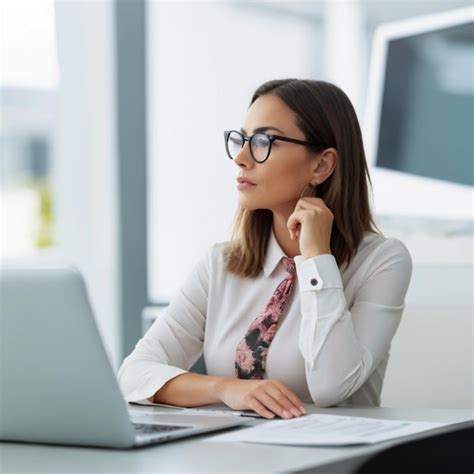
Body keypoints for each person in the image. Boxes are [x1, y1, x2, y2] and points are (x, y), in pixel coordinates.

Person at [117, 78, 412, 420]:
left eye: (262, 141)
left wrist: (316, 258)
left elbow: (332, 387)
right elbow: (134, 374)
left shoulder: (382, 261)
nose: (241, 158)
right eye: (241, 140)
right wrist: (225, 389)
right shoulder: (220, 264)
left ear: (322, 165)